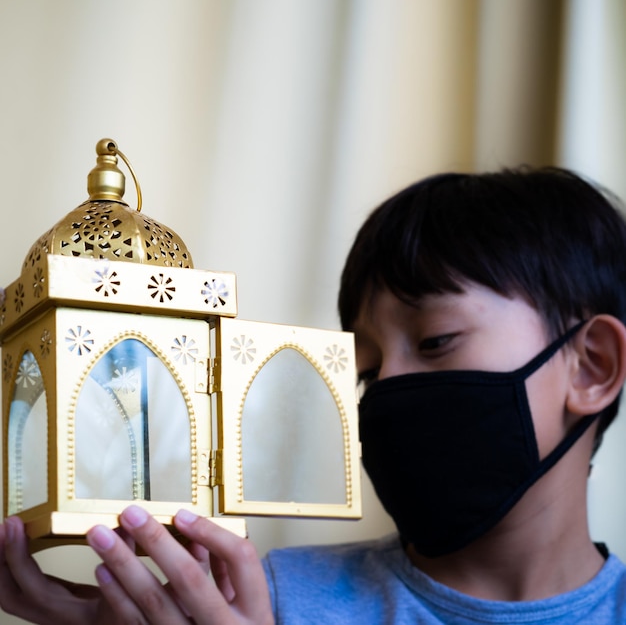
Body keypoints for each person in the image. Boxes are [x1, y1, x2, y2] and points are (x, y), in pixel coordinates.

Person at [1, 166, 626, 623]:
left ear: (592, 367)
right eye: (366, 370)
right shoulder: (257, 603)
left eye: (436, 340)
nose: (388, 391)